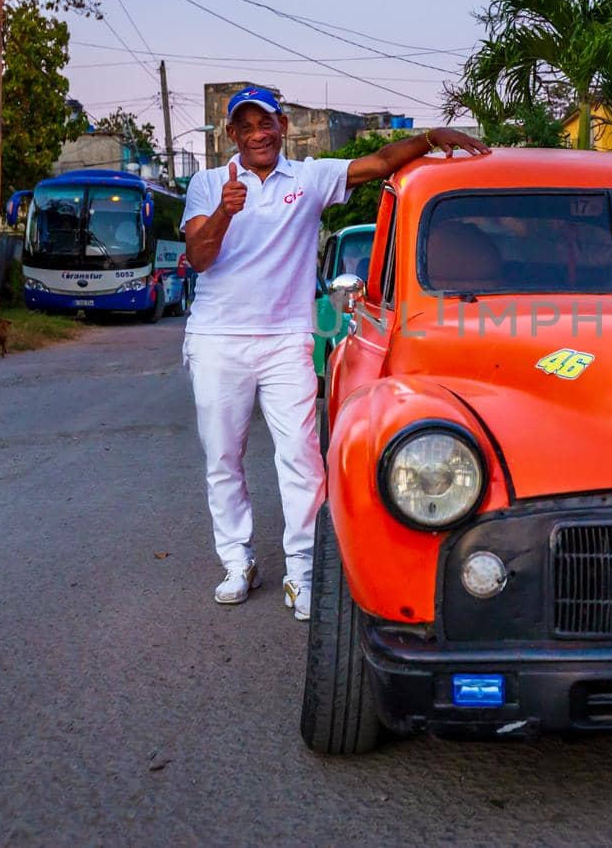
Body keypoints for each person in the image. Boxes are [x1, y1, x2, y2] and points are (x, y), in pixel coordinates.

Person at [181, 87, 490, 615]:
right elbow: (200, 257)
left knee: (302, 458)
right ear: (232, 134)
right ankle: (238, 561)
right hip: (217, 340)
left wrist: (431, 137)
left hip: (285, 340)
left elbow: (380, 163)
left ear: (282, 125)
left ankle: (302, 571)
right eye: (247, 126)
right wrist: (225, 214)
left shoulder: (310, 177)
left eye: (267, 123)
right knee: (223, 458)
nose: (259, 134)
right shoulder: (209, 183)